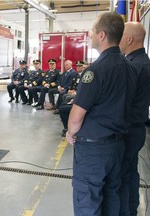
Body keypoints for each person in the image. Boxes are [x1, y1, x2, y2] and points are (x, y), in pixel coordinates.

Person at [66, 12, 137, 216]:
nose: (91, 35)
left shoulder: (95, 71)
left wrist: (71, 133)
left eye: (93, 31)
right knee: (112, 197)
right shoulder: (130, 67)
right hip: (117, 146)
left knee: (87, 198)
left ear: (102, 35)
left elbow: (77, 116)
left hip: (93, 150)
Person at [119, 22, 150, 216]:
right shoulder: (143, 62)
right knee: (131, 171)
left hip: (128, 129)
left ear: (129, 39)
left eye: (121, 35)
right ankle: (131, 209)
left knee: (123, 174)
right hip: (137, 128)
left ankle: (127, 210)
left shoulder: (133, 66)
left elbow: (122, 101)